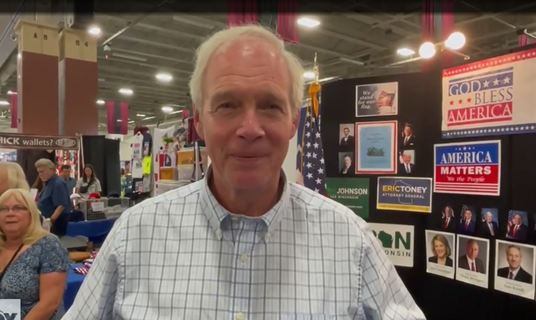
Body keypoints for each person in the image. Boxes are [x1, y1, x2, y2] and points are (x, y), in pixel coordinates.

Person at [63, 25, 425, 320]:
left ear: (293, 121)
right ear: (199, 121)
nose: (250, 128)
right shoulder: (135, 234)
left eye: (270, 105)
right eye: (227, 105)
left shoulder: (350, 240)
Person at [0, 188, 71, 319]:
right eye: (3, 209)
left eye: (18, 208)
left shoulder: (48, 245)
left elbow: (50, 303)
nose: (10, 213)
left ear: (31, 214)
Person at [36, 159, 72, 237]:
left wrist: (50, 221)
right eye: (38, 172)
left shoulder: (58, 183)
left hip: (55, 225)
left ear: (52, 169)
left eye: (42, 172)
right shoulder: (48, 182)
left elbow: (61, 205)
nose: (40, 175)